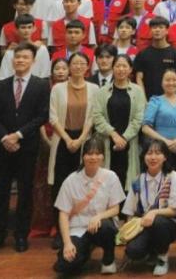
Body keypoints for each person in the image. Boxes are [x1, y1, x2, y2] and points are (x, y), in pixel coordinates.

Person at [0, 42, 51, 254]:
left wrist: (19, 135)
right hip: (3, 146)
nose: (20, 60)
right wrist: (5, 137)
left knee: (25, 191)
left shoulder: (41, 86)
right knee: (1, 191)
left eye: (25, 57)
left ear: (33, 61)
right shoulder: (0, 85)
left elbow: (42, 116)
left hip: (27, 146)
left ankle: (21, 235)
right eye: (17, 57)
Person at [53, 135, 125, 275]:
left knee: (107, 227)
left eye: (98, 154)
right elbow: (63, 214)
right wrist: (67, 243)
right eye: (89, 154)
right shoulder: (71, 180)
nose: (93, 157)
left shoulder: (110, 177)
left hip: (100, 226)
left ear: (103, 156)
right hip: (78, 229)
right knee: (65, 266)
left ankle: (108, 259)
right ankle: (84, 253)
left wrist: (99, 216)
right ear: (83, 156)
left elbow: (115, 209)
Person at [49, 52, 99, 233]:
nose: (78, 67)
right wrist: (68, 139)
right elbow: (53, 117)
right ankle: (60, 228)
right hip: (62, 139)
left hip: (84, 140)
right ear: (69, 67)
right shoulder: (58, 88)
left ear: (87, 67)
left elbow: (93, 116)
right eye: (75, 63)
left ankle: (81, 227)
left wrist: (81, 139)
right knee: (61, 184)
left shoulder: (94, 88)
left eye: (82, 63)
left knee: (83, 183)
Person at [122, 140, 176, 276]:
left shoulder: (173, 177)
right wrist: (130, 234)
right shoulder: (138, 180)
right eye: (149, 153)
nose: (153, 157)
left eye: (158, 153)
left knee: (158, 221)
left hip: (168, 224)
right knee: (133, 251)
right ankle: (151, 251)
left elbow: (174, 210)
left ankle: (162, 258)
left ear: (165, 157)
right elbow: (129, 212)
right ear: (144, 156)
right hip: (144, 225)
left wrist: (154, 212)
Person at [91, 54, 146, 190]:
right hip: (107, 141)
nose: (121, 69)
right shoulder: (102, 91)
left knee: (127, 184)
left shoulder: (138, 91)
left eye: (124, 66)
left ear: (130, 69)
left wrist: (124, 138)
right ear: (112, 68)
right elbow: (97, 116)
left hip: (130, 142)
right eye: (118, 66)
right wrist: (114, 135)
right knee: (106, 185)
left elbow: (139, 118)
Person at [31, 58, 67, 241]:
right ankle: (43, 223)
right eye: (57, 68)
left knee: (62, 182)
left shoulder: (72, 88)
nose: (60, 71)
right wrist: (45, 137)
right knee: (43, 183)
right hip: (44, 137)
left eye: (63, 68)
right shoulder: (44, 89)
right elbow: (39, 115)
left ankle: (59, 224)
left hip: (64, 138)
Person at [141, 68, 176, 174]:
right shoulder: (155, 101)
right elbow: (145, 127)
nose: (171, 83)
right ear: (162, 82)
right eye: (167, 80)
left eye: (174, 80)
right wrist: (166, 142)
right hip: (158, 148)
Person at [133, 17, 176, 99]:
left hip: (169, 99)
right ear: (150, 31)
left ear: (167, 31)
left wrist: (169, 98)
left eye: (161, 27)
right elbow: (139, 78)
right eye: (154, 27)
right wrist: (143, 99)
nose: (157, 30)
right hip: (148, 99)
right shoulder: (143, 54)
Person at [0, 13, 52, 80]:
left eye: (29, 27)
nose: (26, 30)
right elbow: (2, 77)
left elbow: (46, 74)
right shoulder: (10, 53)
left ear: (34, 29)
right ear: (16, 30)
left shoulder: (42, 50)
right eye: (23, 27)